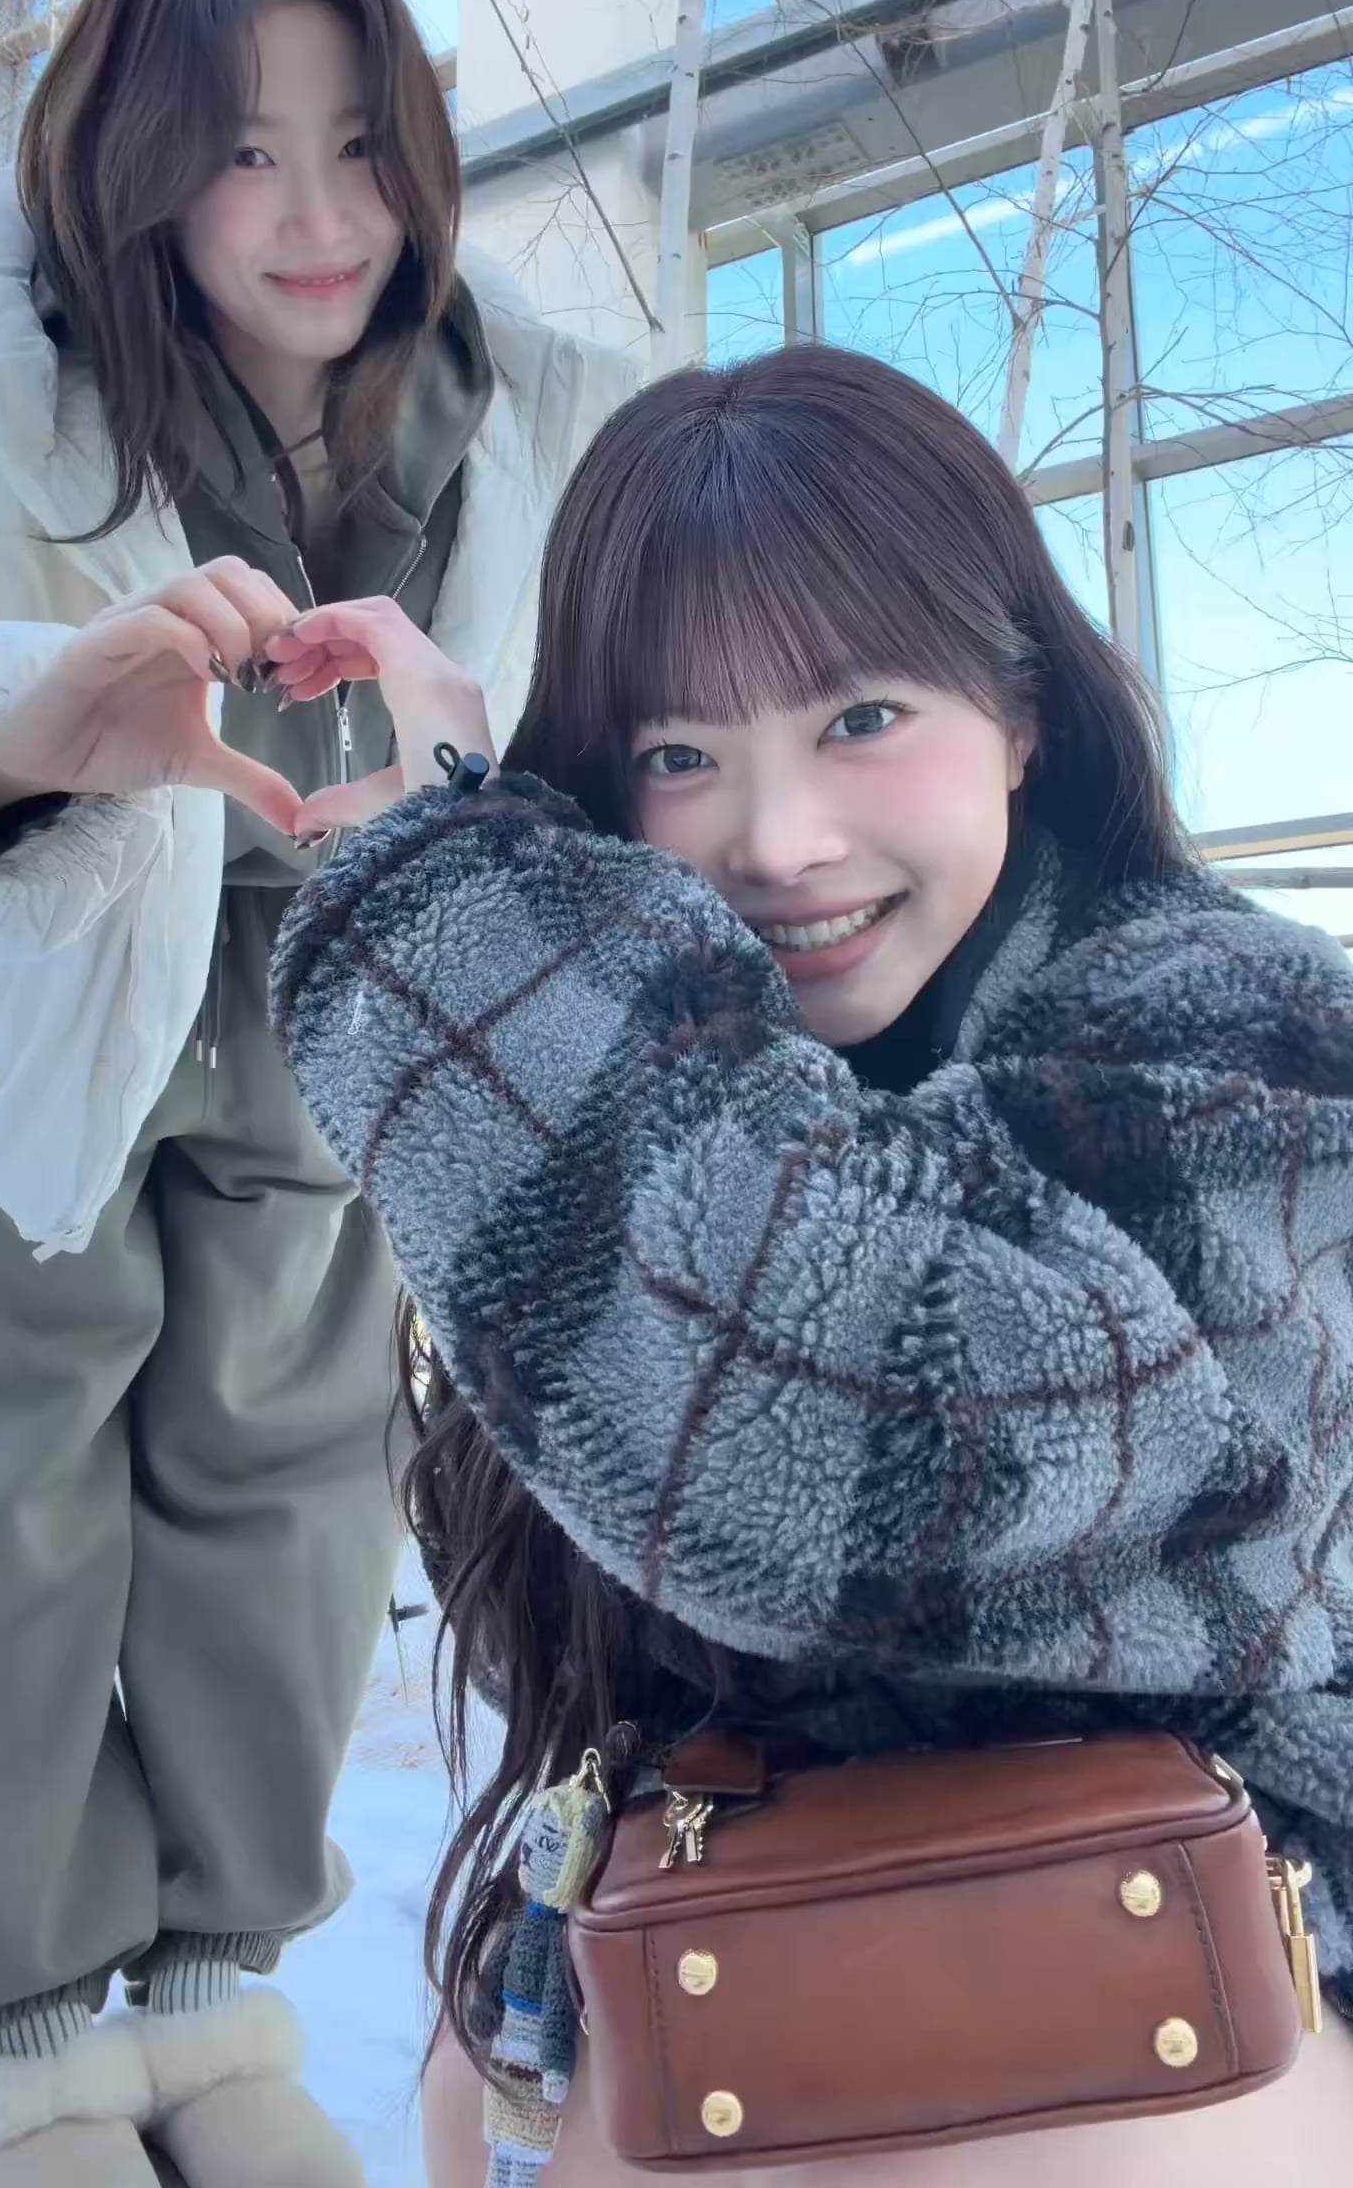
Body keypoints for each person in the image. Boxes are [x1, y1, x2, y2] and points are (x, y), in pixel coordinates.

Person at [267, 345, 1353, 2188]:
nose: (775, 843)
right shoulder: (722, 1091)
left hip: (1206, 2000)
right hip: (796, 1980)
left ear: (1021, 714)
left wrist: (456, 908)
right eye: (681, 756)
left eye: (862, 716)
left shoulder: (1242, 1042)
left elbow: (841, 1440)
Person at [0, 0, 631, 2188]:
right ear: (137, 166)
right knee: (4, 1479)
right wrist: (34, 724)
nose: (318, 216)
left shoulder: (519, 393)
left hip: (322, 980)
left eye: (355, 144)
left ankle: (219, 1997)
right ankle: (26, 2037)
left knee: (291, 1460)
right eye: (243, 151)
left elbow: (598, 667)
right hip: (41, 981)